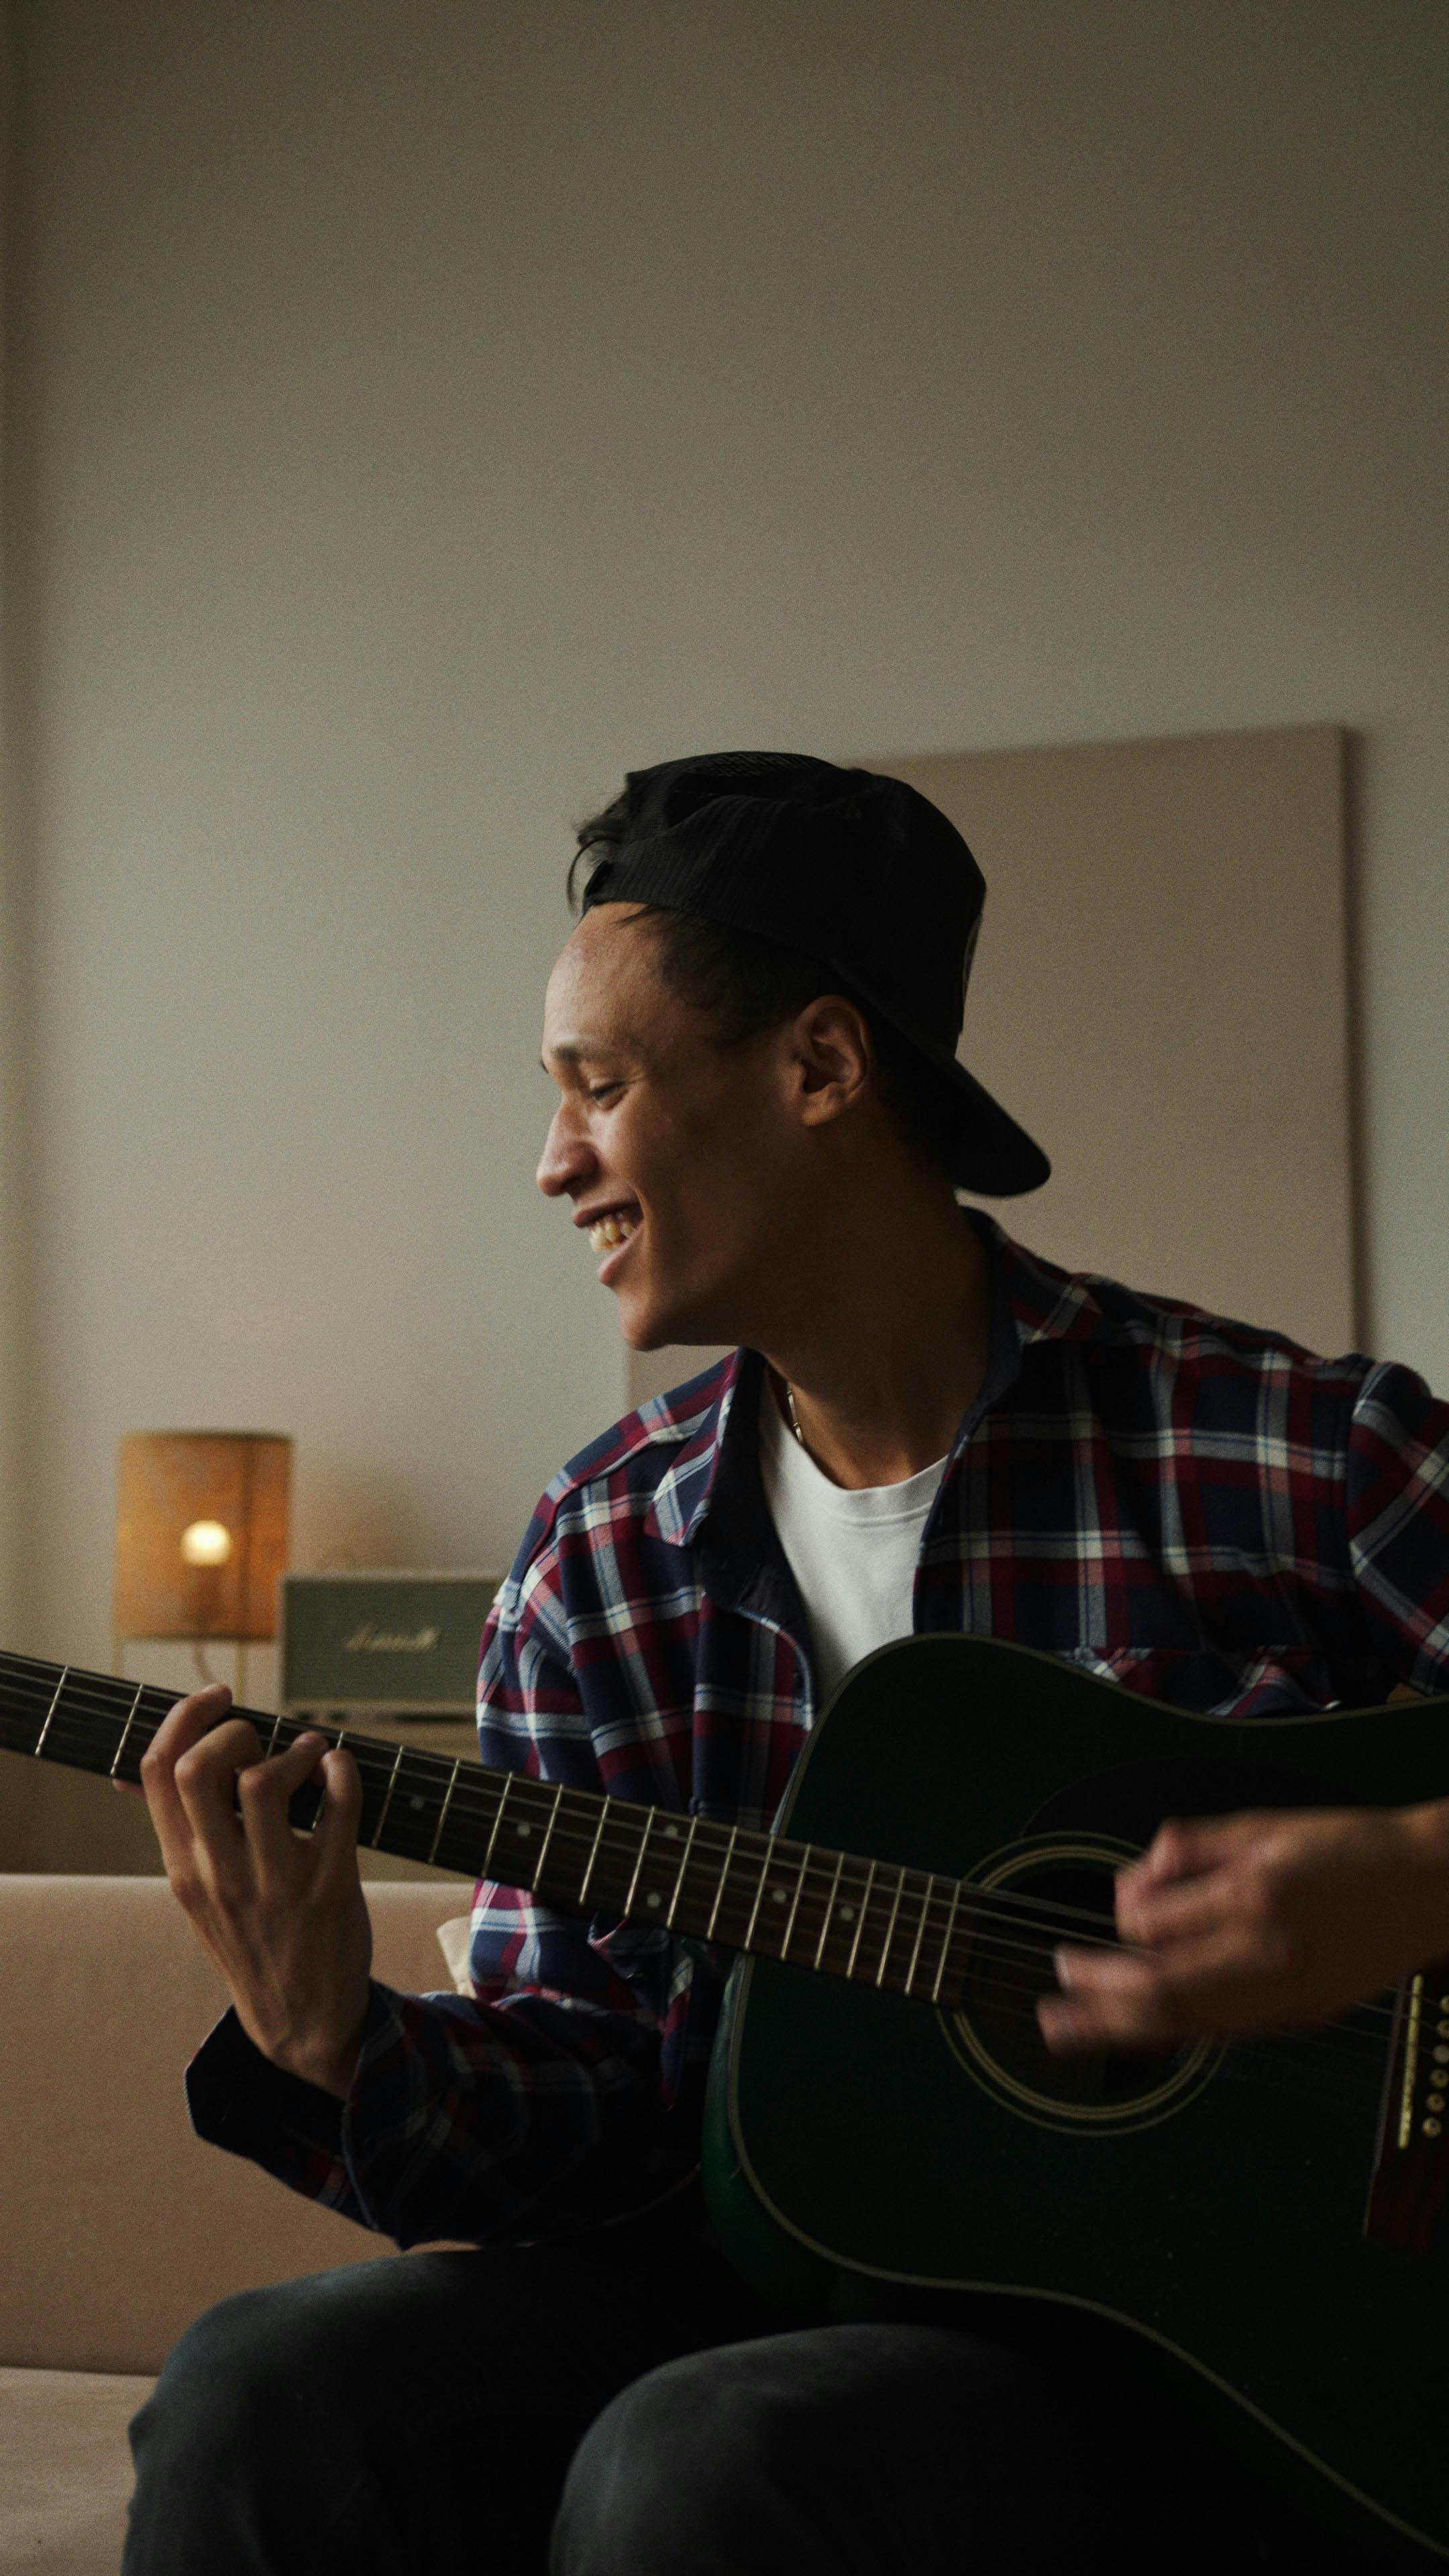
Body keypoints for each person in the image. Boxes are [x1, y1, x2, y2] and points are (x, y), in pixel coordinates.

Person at [122, 752, 1449, 2575]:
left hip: (1220, 2352)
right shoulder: (602, 1550)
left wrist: (1414, 1876)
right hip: (775, 2280)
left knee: (717, 2458)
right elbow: (603, 2094)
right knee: (258, 2387)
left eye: (597, 1085)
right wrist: (330, 2038)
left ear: (820, 1068)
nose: (551, 1160)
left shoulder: (1279, 1454)